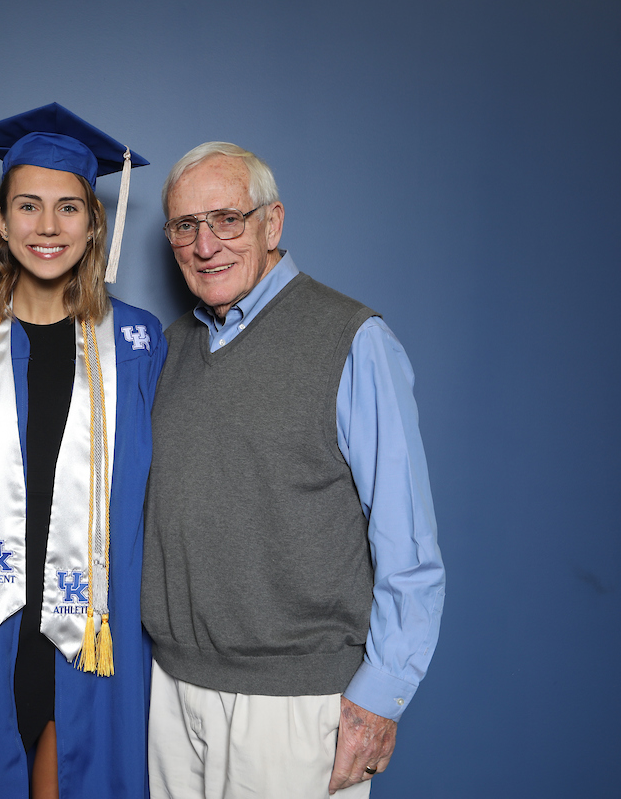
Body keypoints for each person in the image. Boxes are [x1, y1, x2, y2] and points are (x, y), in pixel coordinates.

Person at [142, 143, 446, 799]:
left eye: (226, 219)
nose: (205, 244)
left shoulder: (353, 340)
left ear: (272, 223)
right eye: (184, 227)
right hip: (172, 692)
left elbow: (409, 546)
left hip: (296, 702)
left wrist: (380, 700)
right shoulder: (166, 351)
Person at [0, 103, 166, 799]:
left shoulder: (136, 345)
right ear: (1, 219)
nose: (48, 227)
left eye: (69, 208)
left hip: (90, 611)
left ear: (94, 221)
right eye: (29, 206)